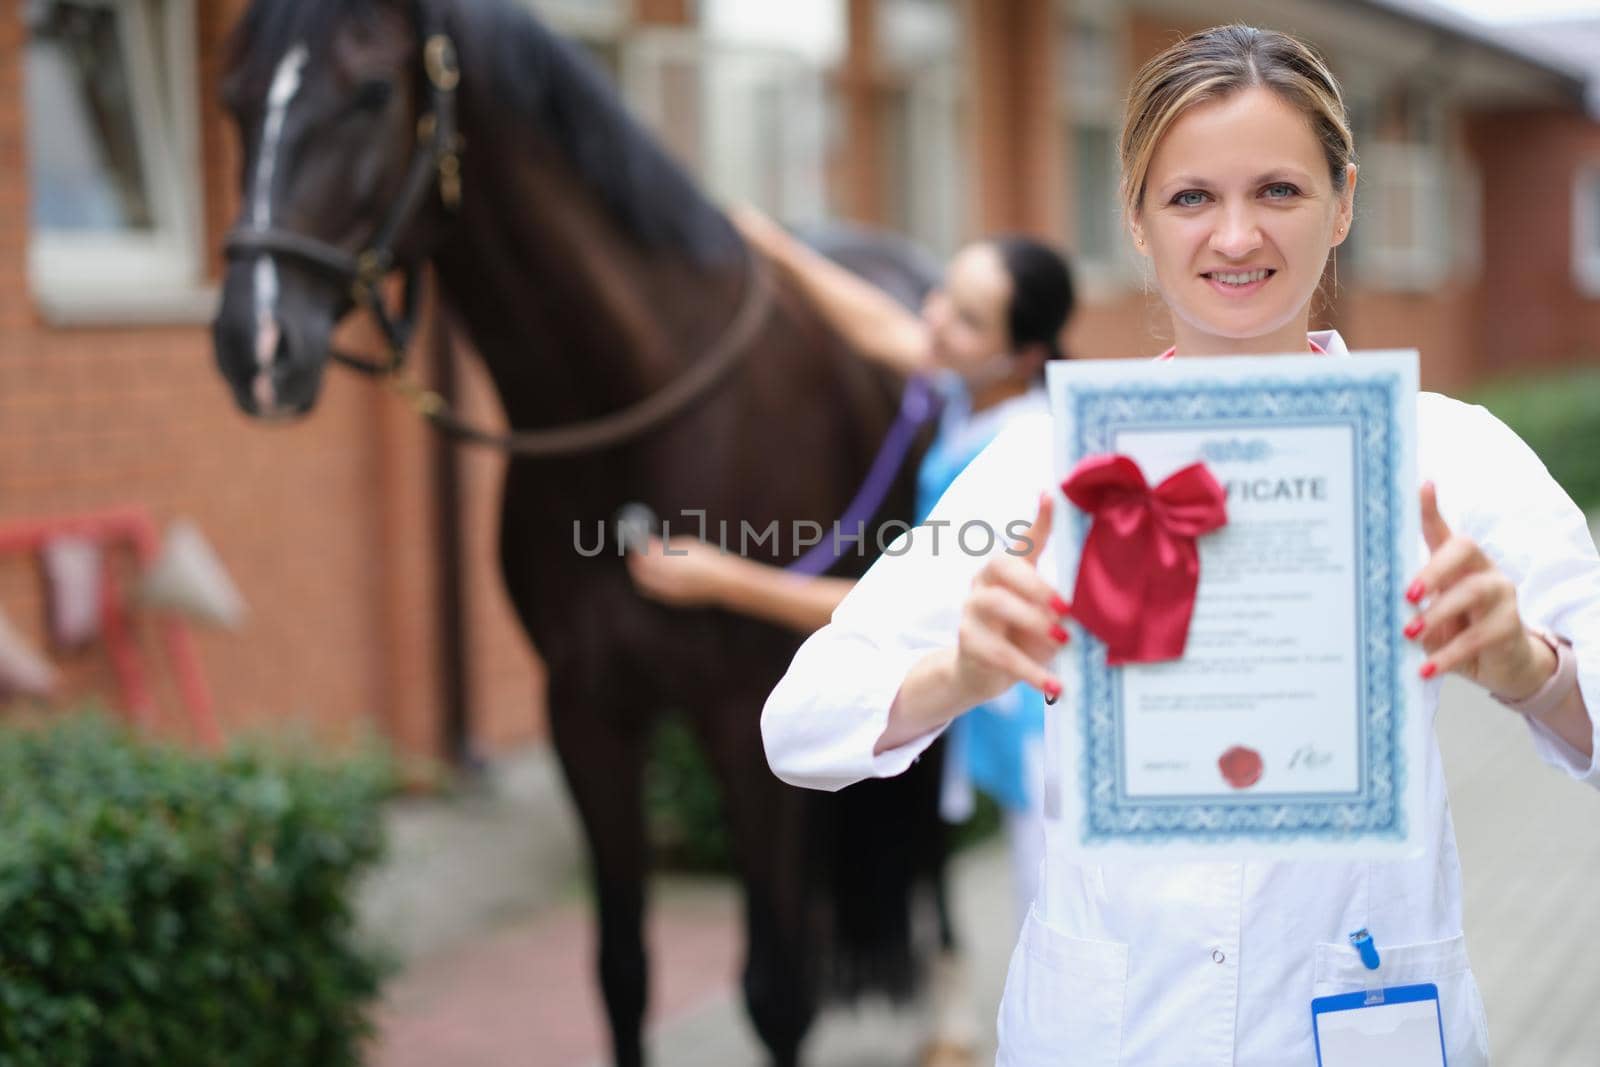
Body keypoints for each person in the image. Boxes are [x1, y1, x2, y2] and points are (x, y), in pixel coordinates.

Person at [761, 24, 1599, 1067]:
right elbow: (796, 727)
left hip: (1362, 1011)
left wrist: (1530, 669)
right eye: (1192, 197)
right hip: (1112, 1024)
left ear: (1342, 204)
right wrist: (962, 672)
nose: (1236, 236)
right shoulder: (1044, 464)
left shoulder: (1447, 455)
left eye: (1280, 192)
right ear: (1137, 221)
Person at [627, 218, 1074, 1062]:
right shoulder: (970, 387)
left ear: (1020, 354)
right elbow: (878, 322)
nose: (934, 321)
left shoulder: (1017, 450)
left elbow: (882, 607)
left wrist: (722, 578)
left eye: (967, 319)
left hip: (1037, 732)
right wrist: (772, 245)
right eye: (942, 296)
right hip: (995, 699)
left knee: (1048, 933)